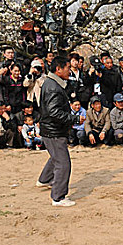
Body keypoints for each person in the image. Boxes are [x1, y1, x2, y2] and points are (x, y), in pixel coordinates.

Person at [37, 57, 85, 207]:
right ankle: (58, 197)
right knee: (63, 163)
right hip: (54, 131)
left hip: (52, 129)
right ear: (58, 69)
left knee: (56, 156)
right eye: (67, 67)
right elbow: (54, 112)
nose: (69, 70)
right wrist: (75, 119)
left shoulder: (52, 83)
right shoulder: (52, 86)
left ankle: (44, 180)